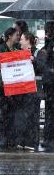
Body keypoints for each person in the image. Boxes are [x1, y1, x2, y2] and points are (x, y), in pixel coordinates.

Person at [0, 27, 19, 149]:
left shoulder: (17, 48)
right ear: (9, 36)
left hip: (14, 84)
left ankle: (11, 138)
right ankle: (3, 138)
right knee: (4, 111)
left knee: (12, 112)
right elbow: (2, 62)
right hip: (2, 85)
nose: (18, 37)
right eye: (16, 35)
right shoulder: (0, 48)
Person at [13, 32, 40, 151]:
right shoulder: (17, 52)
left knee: (31, 117)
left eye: (22, 39)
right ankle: (20, 141)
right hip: (21, 91)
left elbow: (42, 68)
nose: (20, 41)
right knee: (20, 117)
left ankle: (31, 142)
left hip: (32, 91)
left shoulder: (38, 52)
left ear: (28, 40)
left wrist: (34, 61)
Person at [36, 21, 54, 151]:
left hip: (50, 82)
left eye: (47, 30)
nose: (46, 33)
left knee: (50, 112)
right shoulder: (49, 44)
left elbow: (46, 62)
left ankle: (49, 140)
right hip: (49, 82)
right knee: (49, 111)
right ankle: (48, 139)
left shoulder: (51, 45)